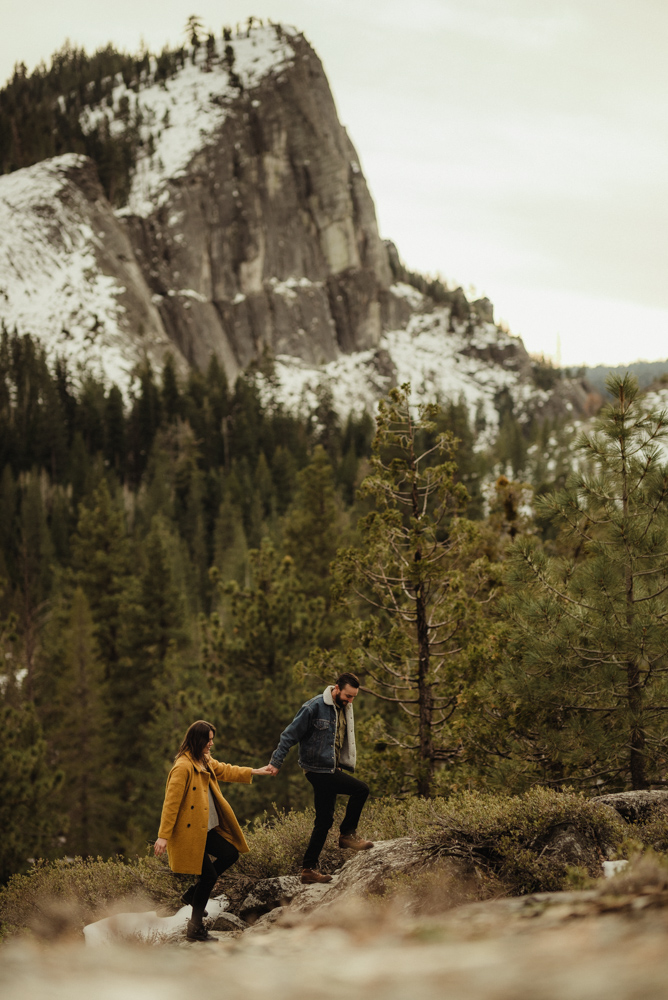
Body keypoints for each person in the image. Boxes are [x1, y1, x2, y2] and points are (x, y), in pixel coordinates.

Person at [154, 719, 273, 942]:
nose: (211, 744)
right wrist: (163, 836)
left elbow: (225, 770)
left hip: (205, 829)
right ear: (197, 740)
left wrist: (255, 771)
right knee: (208, 876)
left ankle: (192, 894)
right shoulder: (183, 767)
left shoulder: (203, 760)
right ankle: (195, 928)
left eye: (212, 740)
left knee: (230, 853)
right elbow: (171, 803)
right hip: (189, 834)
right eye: (208, 740)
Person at [267, 672, 374, 884]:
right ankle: (347, 835)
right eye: (347, 696)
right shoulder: (314, 707)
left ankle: (308, 869)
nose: (350, 701)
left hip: (331, 769)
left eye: (353, 697)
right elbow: (288, 735)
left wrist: (339, 765)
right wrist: (276, 762)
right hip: (317, 770)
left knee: (324, 821)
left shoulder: (343, 708)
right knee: (361, 790)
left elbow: (338, 740)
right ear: (336, 688)